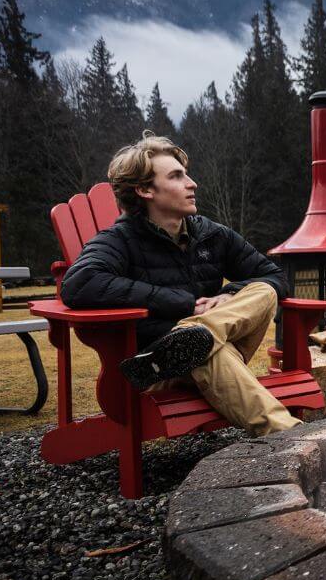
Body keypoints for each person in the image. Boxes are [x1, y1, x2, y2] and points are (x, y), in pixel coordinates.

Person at [61, 131, 303, 436]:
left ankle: (196, 336)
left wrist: (228, 296)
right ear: (144, 190)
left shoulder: (213, 235)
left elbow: (276, 277)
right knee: (204, 351)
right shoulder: (120, 240)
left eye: (186, 174)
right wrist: (185, 304)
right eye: (177, 176)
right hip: (157, 370)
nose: (192, 183)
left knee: (264, 291)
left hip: (215, 346)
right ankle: (292, 435)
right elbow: (79, 283)